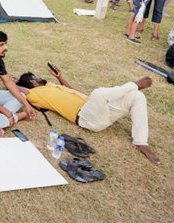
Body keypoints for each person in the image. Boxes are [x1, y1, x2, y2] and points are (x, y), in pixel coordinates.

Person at [16, 66, 160, 165]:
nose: (39, 77)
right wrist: (10, 80)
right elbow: (14, 88)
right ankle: (133, 84)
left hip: (102, 111)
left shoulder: (50, 86)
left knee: (137, 96)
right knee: (98, 93)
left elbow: (71, 91)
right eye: (35, 77)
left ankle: (141, 141)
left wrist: (60, 78)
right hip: (87, 118)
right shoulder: (34, 95)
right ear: (32, 82)